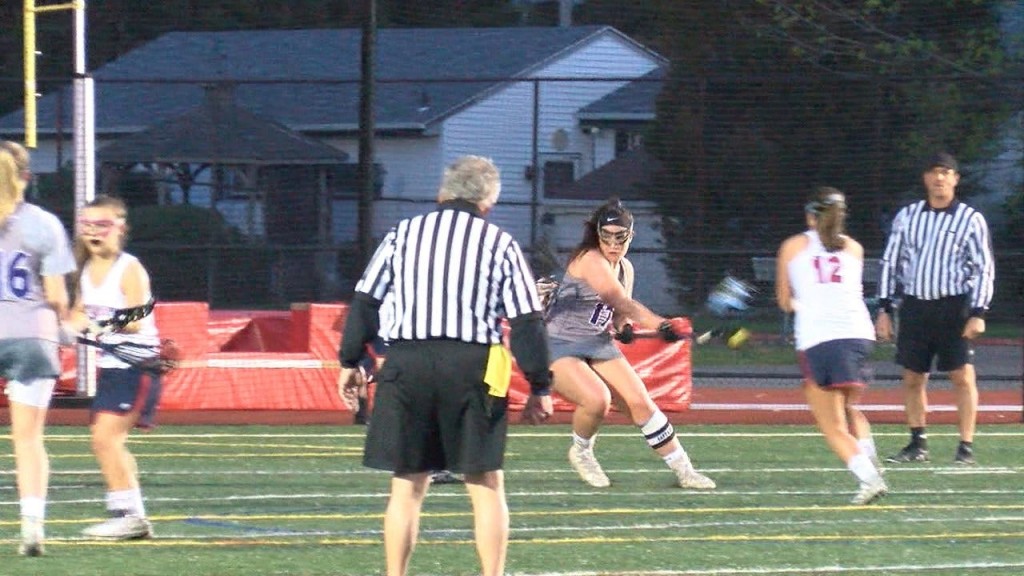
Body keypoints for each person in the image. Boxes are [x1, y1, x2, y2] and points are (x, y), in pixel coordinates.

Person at [337, 155, 553, 576]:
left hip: (407, 361)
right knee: (485, 483)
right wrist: (540, 385)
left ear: (443, 193)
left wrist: (350, 359)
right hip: (473, 366)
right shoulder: (500, 243)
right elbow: (527, 321)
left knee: (407, 483)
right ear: (488, 202)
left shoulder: (402, 234)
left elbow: (366, 301)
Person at [544, 197, 715, 490]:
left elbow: (619, 314)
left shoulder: (625, 268)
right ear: (597, 234)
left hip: (597, 342)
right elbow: (619, 300)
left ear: (630, 236)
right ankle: (581, 451)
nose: (612, 244)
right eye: (606, 236)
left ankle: (685, 471)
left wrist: (624, 328)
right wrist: (660, 324)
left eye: (620, 237)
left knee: (640, 403)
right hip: (560, 343)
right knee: (597, 399)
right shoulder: (591, 259)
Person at [876, 152, 995, 465]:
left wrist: (978, 312)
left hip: (953, 306)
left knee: (962, 376)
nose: (939, 178)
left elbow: (983, 267)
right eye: (933, 172)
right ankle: (918, 443)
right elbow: (891, 261)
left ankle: (965, 447)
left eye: (945, 172)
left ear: (955, 178)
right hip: (915, 306)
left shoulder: (970, 218)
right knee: (913, 376)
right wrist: (884, 308)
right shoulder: (908, 216)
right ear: (925, 178)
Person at [775, 187, 887, 505]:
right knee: (850, 409)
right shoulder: (854, 248)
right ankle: (870, 460)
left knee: (832, 425)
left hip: (821, 338)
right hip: (859, 335)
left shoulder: (793, 246)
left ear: (811, 215)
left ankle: (869, 478)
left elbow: (784, 300)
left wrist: (803, 306)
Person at [64, 195, 160, 540]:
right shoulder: (86, 268)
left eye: (101, 225)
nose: (93, 232)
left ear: (120, 228)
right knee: (109, 441)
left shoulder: (129, 267)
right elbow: (79, 311)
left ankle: (127, 516)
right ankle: (133, 516)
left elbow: (137, 318)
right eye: (87, 225)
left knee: (105, 439)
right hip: (113, 367)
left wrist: (98, 325)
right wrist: (62, 329)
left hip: (136, 366)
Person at [0, 141, 76, 556]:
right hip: (31, 334)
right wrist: (64, 326)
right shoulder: (44, 223)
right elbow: (57, 296)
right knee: (27, 440)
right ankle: (32, 528)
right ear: (27, 176)